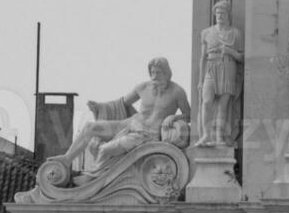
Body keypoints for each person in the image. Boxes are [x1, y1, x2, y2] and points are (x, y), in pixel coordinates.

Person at [52, 57, 190, 169]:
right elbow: (121, 103)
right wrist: (100, 107)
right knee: (90, 127)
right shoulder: (143, 87)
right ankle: (67, 159)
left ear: (167, 73)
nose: (154, 77)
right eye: (152, 72)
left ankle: (94, 179)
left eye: (158, 73)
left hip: (148, 134)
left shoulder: (177, 92)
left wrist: (174, 117)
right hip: (131, 123)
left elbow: (189, 115)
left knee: (104, 150)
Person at [197, 0, 243, 147]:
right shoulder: (207, 33)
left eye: (222, 13)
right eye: (217, 13)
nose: (219, 16)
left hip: (228, 66)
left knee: (223, 105)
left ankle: (219, 136)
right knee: (207, 102)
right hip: (211, 67)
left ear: (228, 14)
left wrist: (230, 52)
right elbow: (202, 58)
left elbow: (241, 57)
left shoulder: (235, 33)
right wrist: (200, 80)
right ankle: (206, 135)